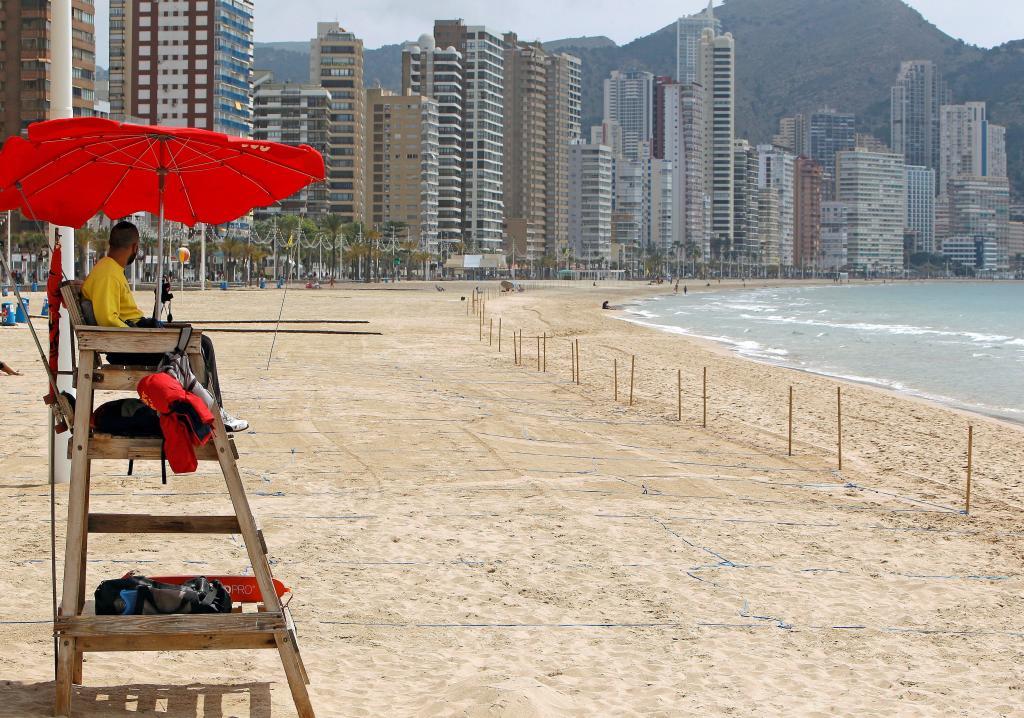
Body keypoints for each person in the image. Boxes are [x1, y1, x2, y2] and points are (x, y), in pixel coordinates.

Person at [82, 221, 248, 432]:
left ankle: (212, 411)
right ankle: (215, 413)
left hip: (134, 340)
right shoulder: (107, 273)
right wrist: (145, 338)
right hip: (129, 347)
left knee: (201, 342)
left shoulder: (109, 269)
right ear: (135, 247)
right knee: (200, 346)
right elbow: (107, 320)